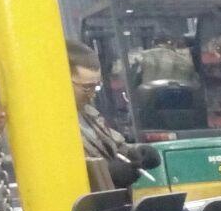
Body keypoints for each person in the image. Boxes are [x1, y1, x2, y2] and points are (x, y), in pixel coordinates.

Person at [67, 40, 161, 190]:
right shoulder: (47, 125)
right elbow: (63, 170)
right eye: (87, 87)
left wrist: (137, 152)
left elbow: (116, 147)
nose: (92, 94)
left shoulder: (88, 114)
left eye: (97, 86)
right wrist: (107, 173)